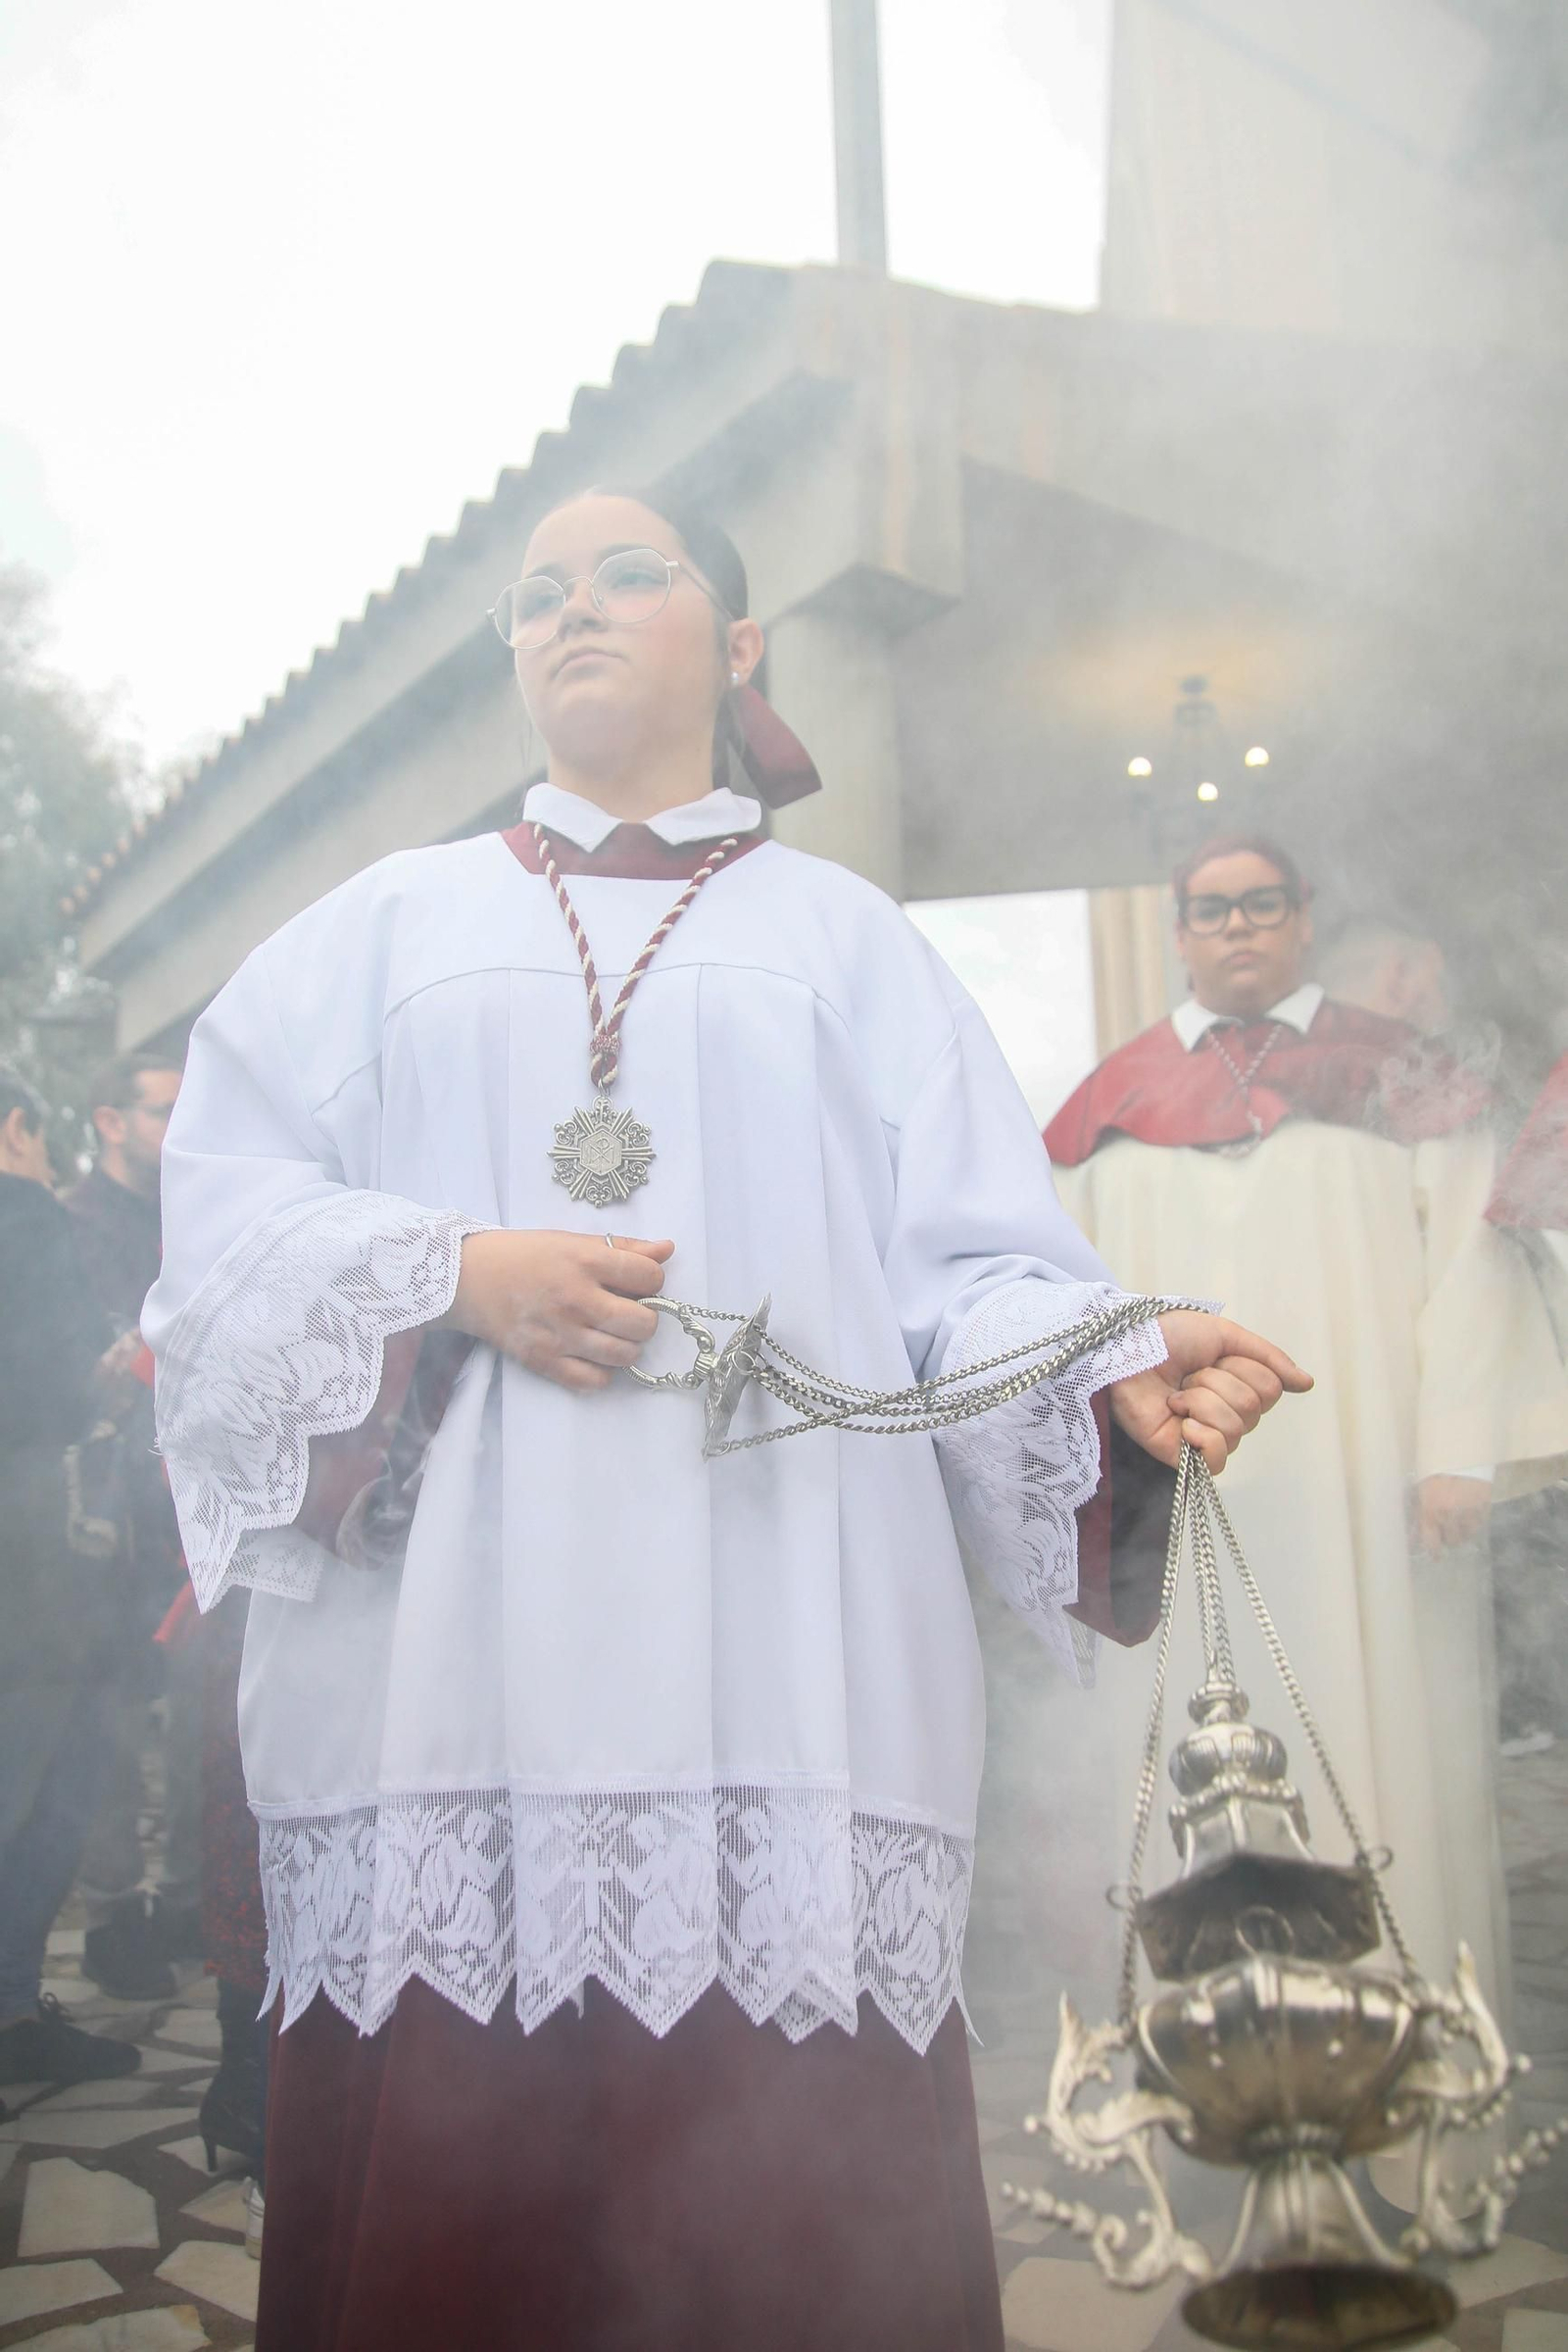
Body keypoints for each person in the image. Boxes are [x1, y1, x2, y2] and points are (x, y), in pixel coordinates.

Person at [145, 491, 1307, 2352]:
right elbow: (216, 1238)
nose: (570, 612)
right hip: (453, 1683)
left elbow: (966, 1277)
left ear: (741, 648)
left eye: (628, 573)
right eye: (537, 595)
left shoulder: (849, 946)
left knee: (790, 2233)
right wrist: (453, 1269)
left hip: (787, 1660)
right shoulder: (374, 935)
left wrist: (1109, 1362)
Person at [1045, 836, 1568, 2044]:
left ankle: (1417, 2089)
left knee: (1397, 1765)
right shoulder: (1105, 1110)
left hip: (1369, 1501)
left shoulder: (1403, 1077)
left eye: (1259, 905)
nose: (1235, 928)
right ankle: (1205, 2083)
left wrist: (1456, 1456)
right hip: (1179, 1499)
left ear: (1302, 919)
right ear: (1178, 930)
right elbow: (1062, 1304)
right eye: (1209, 910)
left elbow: (1470, 1275)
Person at [0, 1066, 143, 2087]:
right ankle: (10, 2011)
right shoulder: (24, 1214)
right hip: (27, 1556)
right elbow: (49, 1383)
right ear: (18, 1128)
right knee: (49, 1769)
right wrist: (119, 1367)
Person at [64, 1050, 193, 1999]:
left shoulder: (196, 1215)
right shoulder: (66, 1229)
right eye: (160, 1113)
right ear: (109, 1121)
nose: (177, 1130)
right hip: (109, 1503)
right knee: (106, 1719)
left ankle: (187, 1897)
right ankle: (111, 1915)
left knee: (202, 1703)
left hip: (191, 1494)